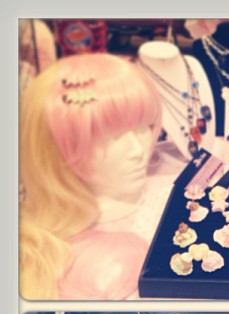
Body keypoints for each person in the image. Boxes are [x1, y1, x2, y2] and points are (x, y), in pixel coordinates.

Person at [19, 53, 162, 300]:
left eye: (143, 128)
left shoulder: (164, 195)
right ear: (55, 150)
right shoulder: (38, 253)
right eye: (113, 137)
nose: (138, 150)